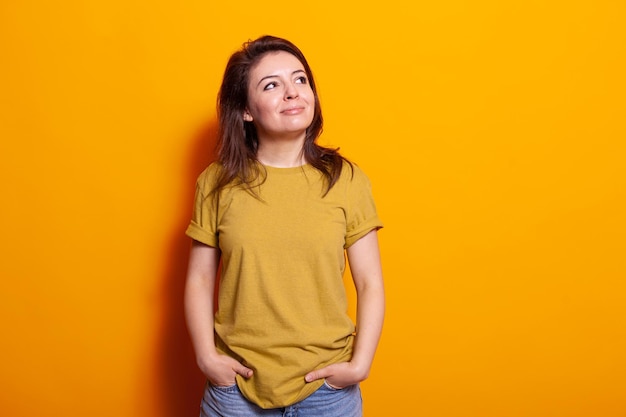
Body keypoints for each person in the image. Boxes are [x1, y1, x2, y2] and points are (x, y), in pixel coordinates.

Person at [184, 35, 384, 417]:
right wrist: (208, 359)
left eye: (300, 79)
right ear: (245, 110)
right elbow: (198, 280)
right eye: (272, 85)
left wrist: (359, 366)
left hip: (327, 393)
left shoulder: (347, 179)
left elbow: (370, 282)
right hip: (237, 391)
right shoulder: (217, 183)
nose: (292, 93)